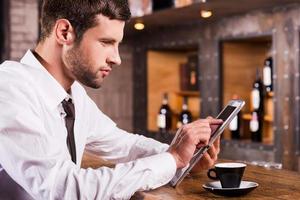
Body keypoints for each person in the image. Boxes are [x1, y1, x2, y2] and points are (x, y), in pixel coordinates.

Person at [0, 0, 223, 199]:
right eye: (106, 42)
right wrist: (172, 159)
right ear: (65, 32)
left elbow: (123, 145)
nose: (116, 59)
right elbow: (64, 189)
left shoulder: (73, 95)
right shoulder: (8, 88)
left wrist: (183, 159)